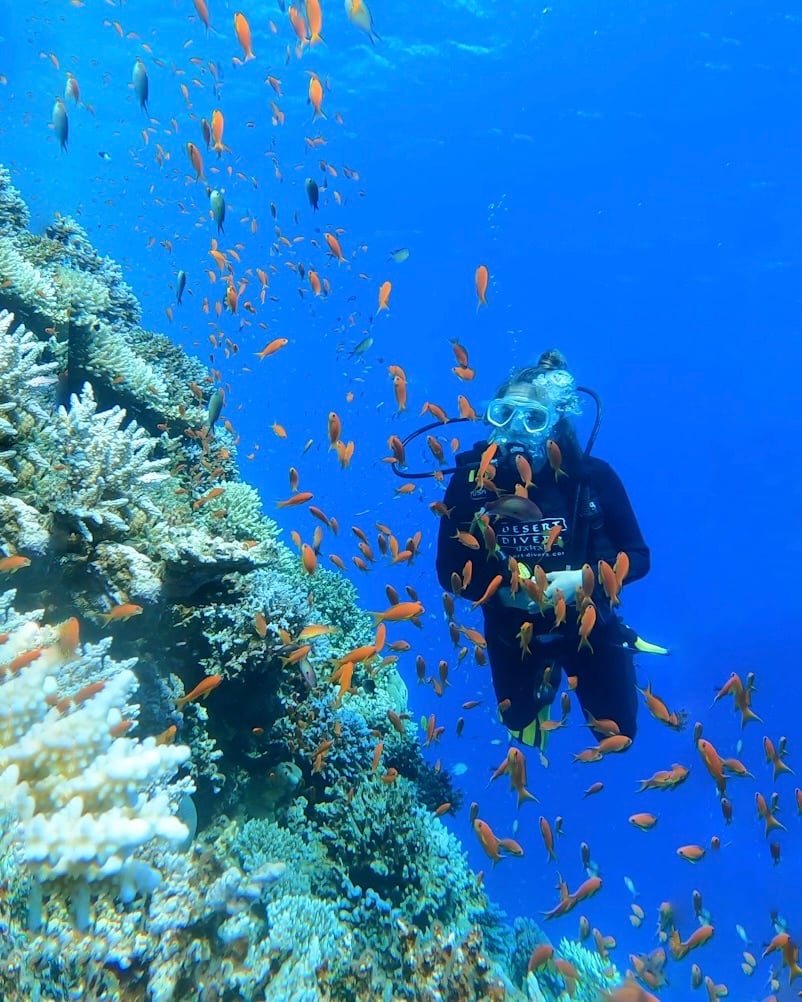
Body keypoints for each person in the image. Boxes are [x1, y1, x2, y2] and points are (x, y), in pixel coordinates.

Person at [435, 349, 663, 750]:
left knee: (619, 734)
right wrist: (505, 591)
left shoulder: (591, 479)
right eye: (504, 415)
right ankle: (543, 685)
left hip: (587, 620)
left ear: (555, 425)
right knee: (521, 725)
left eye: (534, 418)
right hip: (512, 631)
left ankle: (615, 642)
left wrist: (582, 580)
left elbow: (638, 556)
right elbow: (447, 569)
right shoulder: (470, 482)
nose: (516, 430)